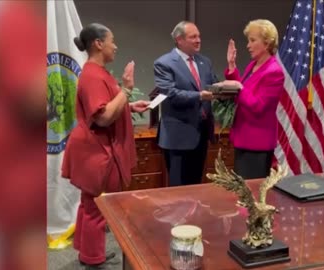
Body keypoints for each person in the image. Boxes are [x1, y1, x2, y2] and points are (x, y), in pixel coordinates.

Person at [61, 23, 150, 269]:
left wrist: (130, 105)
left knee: (92, 204)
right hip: (98, 152)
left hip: (97, 150)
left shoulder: (98, 72)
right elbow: (102, 117)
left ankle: (89, 253)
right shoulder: (91, 74)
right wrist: (127, 89)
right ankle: (92, 258)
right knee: (98, 206)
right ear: (99, 44)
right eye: (112, 41)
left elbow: (108, 107)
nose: (116, 46)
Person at [154, 21, 218, 186]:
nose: (198, 40)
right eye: (193, 37)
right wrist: (199, 96)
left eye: (199, 36)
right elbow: (170, 93)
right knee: (179, 190)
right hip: (178, 137)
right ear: (179, 39)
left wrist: (227, 86)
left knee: (196, 186)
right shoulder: (164, 63)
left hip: (201, 134)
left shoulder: (205, 62)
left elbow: (214, 86)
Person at [225, 19, 285, 179]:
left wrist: (239, 87)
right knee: (242, 193)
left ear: (266, 44)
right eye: (248, 40)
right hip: (243, 137)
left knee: (251, 196)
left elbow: (258, 106)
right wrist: (232, 66)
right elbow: (243, 91)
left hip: (257, 143)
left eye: (252, 40)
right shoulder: (253, 65)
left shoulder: (274, 72)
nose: (248, 45)